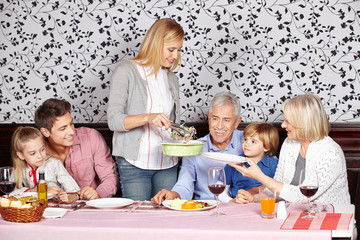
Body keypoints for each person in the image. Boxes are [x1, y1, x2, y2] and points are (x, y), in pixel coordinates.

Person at [107, 18, 184, 200]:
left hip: (167, 163)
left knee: (166, 220)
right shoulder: (126, 71)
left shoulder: (171, 79)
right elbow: (114, 120)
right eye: (171, 49)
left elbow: (170, 123)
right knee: (138, 220)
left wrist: (180, 135)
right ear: (156, 44)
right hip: (134, 163)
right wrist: (148, 117)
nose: (175, 55)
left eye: (179, 50)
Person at [232, 93, 350, 204]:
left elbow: (302, 196)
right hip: (295, 214)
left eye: (288, 121)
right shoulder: (289, 143)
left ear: (303, 123)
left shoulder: (331, 153)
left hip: (330, 217)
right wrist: (254, 198)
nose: (283, 125)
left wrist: (259, 176)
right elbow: (277, 187)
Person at [151, 91, 244, 204]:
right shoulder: (194, 147)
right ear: (209, 117)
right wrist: (175, 195)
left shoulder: (248, 142)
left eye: (226, 120)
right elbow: (185, 184)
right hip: (206, 208)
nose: (219, 126)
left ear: (237, 122)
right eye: (215, 118)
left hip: (240, 208)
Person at [34, 98, 118, 200]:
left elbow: (110, 178)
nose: (71, 131)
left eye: (71, 124)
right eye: (63, 128)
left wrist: (98, 194)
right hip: (52, 209)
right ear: (45, 132)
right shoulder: (35, 151)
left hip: (90, 207)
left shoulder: (91, 137)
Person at [11, 127, 80, 203]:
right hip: (32, 209)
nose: (40, 156)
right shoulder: (19, 169)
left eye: (42, 149)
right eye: (33, 153)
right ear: (21, 155)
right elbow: (12, 193)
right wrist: (36, 191)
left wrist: (68, 197)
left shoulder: (54, 164)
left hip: (55, 206)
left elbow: (74, 189)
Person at [219, 122, 279, 203]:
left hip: (264, 205)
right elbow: (221, 191)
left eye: (253, 141)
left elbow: (279, 189)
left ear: (266, 147)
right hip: (238, 205)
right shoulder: (233, 164)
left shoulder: (274, 164)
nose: (246, 144)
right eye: (245, 139)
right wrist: (231, 201)